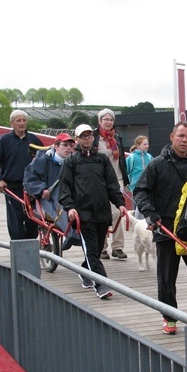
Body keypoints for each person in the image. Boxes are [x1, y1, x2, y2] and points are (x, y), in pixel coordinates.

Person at [134, 121, 187, 335]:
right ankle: (169, 317)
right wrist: (150, 213)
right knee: (166, 277)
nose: (184, 140)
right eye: (181, 136)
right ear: (172, 137)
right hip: (165, 228)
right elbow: (140, 191)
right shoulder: (157, 164)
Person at [58, 124, 128, 299]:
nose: (87, 139)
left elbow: (112, 184)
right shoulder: (71, 162)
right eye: (83, 136)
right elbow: (64, 188)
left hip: (102, 212)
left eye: (89, 136)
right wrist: (70, 207)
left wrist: (120, 204)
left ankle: (84, 270)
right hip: (83, 214)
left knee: (96, 251)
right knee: (91, 250)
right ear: (77, 140)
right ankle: (101, 285)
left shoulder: (102, 160)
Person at [0, 110, 43, 240]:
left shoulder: (33, 140)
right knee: (15, 220)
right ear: (12, 123)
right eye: (18, 120)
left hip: (31, 187)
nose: (22, 123)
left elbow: (44, 158)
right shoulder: (5, 140)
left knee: (32, 220)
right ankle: (18, 248)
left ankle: (29, 246)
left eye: (24, 120)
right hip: (12, 187)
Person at [23, 133, 80, 249]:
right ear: (56, 147)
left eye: (71, 145)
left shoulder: (76, 161)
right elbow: (29, 179)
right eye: (65, 145)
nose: (68, 148)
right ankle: (71, 234)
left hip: (71, 195)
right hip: (48, 197)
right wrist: (41, 189)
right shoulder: (43, 160)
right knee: (62, 206)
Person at [93, 109, 129, 260]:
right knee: (101, 213)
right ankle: (102, 247)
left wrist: (125, 180)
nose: (108, 122)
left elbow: (121, 160)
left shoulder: (117, 138)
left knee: (117, 213)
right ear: (100, 121)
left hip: (117, 179)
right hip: (99, 181)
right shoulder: (94, 138)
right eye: (105, 119)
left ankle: (118, 247)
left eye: (111, 120)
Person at [126, 135, 153, 218]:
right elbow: (126, 171)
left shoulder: (149, 156)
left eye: (147, 144)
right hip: (136, 187)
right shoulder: (132, 157)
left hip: (148, 186)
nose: (147, 146)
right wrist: (128, 185)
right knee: (138, 206)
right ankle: (137, 223)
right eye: (144, 144)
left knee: (147, 205)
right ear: (138, 145)